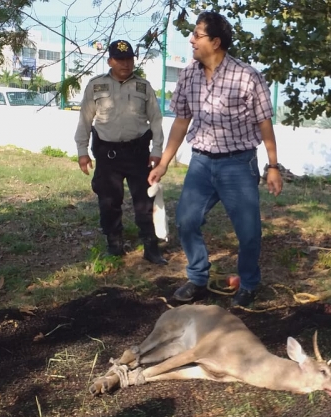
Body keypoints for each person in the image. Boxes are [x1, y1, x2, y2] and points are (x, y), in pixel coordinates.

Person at [147, 11, 283, 307]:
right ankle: (198, 278)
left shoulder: (247, 76)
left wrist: (273, 166)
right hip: (201, 163)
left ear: (216, 42)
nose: (191, 40)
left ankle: (248, 284)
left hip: (238, 164)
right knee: (186, 220)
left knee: (248, 232)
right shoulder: (188, 74)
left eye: (197, 35)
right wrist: (164, 163)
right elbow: (181, 122)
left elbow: (264, 123)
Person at [74, 40, 167, 265]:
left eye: (129, 59)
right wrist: (82, 151)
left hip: (138, 153)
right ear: (110, 61)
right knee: (109, 201)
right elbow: (85, 119)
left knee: (145, 201)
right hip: (108, 154)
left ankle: (151, 247)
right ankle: (114, 245)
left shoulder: (143, 86)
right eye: (120, 59)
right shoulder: (96, 85)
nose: (125, 64)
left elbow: (156, 119)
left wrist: (157, 150)